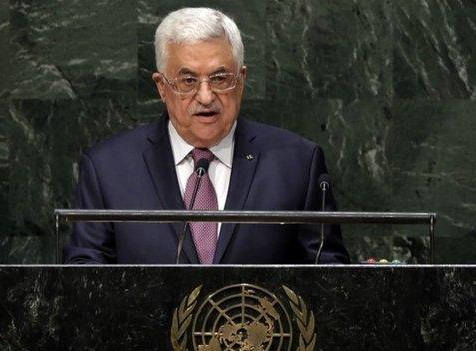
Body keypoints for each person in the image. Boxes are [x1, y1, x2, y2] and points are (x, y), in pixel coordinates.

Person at [63, 7, 349, 264]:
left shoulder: (297, 163)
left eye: (220, 78)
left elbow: (330, 279)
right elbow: (85, 278)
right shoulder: (108, 168)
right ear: (162, 87)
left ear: (242, 80)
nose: (205, 96)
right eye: (188, 81)